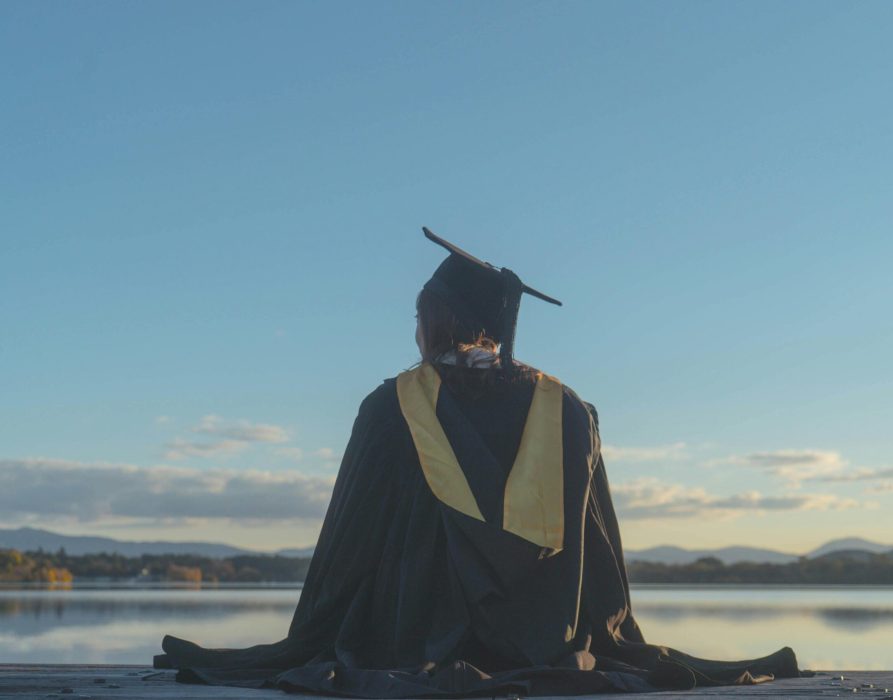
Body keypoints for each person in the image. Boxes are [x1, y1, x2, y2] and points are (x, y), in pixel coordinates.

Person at [155, 228, 800, 696]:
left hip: (407, 638)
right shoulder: (570, 410)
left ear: (435, 321)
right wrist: (607, 635)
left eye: (418, 318)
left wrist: (313, 634)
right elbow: (601, 555)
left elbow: (346, 550)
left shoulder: (392, 408)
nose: (414, 333)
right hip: (552, 639)